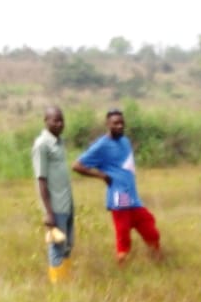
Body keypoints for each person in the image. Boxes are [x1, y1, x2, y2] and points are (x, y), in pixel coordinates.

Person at [72, 109, 161, 263]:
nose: (119, 126)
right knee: (123, 233)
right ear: (107, 125)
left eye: (121, 123)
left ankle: (159, 261)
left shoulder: (125, 141)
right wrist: (101, 175)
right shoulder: (102, 145)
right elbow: (77, 166)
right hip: (121, 195)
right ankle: (123, 266)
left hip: (132, 196)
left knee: (150, 228)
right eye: (115, 123)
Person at [31, 105, 75, 282]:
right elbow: (41, 180)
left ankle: (65, 280)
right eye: (55, 120)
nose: (59, 124)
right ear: (46, 121)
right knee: (57, 248)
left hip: (67, 204)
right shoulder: (42, 145)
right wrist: (48, 212)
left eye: (61, 120)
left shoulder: (59, 142)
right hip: (55, 207)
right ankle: (58, 289)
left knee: (67, 246)